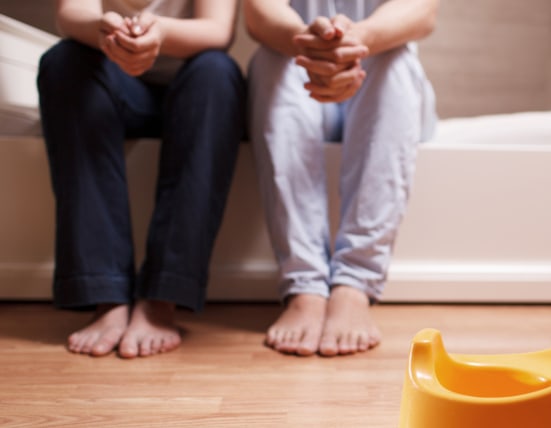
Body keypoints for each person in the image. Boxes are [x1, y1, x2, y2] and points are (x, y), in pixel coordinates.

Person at [37, 0, 244, 358]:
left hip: (194, 86)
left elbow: (217, 30)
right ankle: (107, 294)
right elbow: (71, 13)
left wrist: (159, 33)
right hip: (111, 82)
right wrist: (106, 31)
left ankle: (163, 295)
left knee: (218, 71)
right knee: (62, 61)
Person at [244, 0, 438, 356]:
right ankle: (305, 286)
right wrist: (310, 45)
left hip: (381, 83)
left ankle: (355, 283)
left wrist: (356, 40)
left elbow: (423, 12)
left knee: (394, 61)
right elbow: (257, 15)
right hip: (302, 75)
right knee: (272, 60)